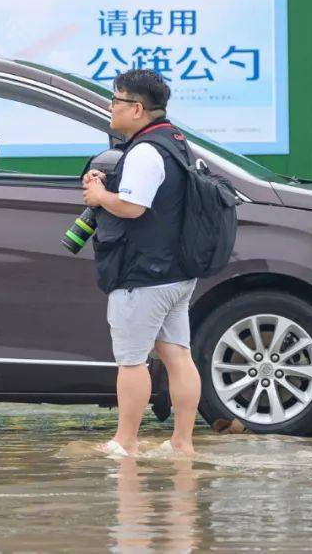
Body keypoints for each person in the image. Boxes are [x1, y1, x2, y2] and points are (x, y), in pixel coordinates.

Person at [81, 69, 201, 456]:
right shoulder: (176, 141)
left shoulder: (146, 150)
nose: (110, 108)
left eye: (115, 101)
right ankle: (182, 444)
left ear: (136, 108)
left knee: (132, 362)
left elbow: (133, 207)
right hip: (176, 273)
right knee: (177, 354)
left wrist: (98, 195)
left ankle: (124, 443)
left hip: (144, 275)